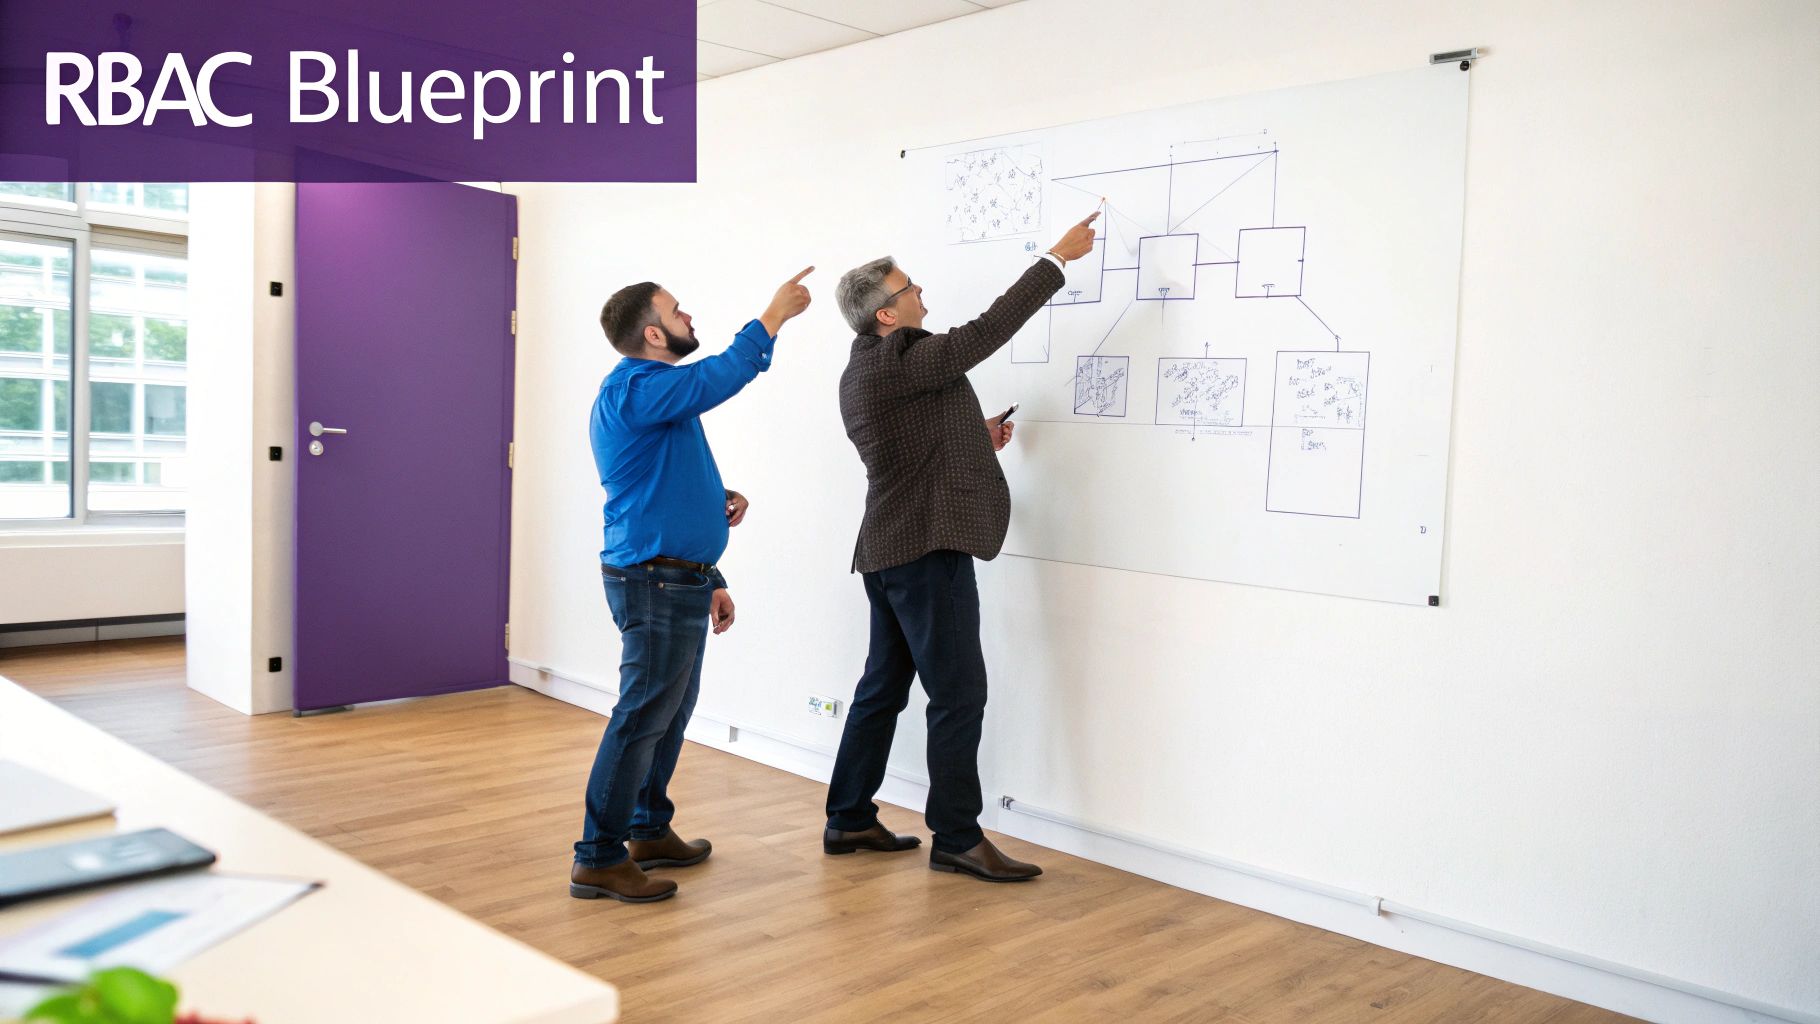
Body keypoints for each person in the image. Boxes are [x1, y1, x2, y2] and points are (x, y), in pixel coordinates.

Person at [823, 212, 1098, 882]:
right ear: (886, 316)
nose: (922, 297)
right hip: (923, 552)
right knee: (958, 692)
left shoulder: (867, 369)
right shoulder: (904, 357)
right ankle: (955, 837)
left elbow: (910, 446)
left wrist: (974, 436)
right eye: (909, 290)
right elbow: (987, 331)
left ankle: (850, 817)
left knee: (883, 688)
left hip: (887, 550)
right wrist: (1056, 260)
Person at [570, 267, 813, 903]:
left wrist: (714, 534)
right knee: (643, 715)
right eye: (678, 313)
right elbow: (717, 377)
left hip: (678, 579)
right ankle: (598, 856)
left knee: (669, 712)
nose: (688, 319)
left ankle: (648, 830)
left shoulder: (655, 398)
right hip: (653, 583)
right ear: (653, 334)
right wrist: (772, 319)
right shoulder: (639, 388)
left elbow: (667, 482)